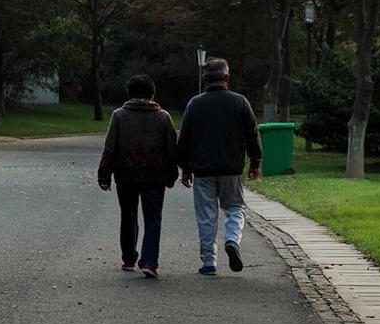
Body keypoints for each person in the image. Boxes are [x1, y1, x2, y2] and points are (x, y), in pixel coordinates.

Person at [177, 58, 262, 276]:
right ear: (227, 77)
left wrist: (185, 168)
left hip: (203, 169)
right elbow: (252, 135)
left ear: (205, 79)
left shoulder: (195, 103)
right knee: (235, 208)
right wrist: (255, 161)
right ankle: (232, 240)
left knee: (206, 215)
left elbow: (185, 138)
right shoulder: (240, 102)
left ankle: (209, 261)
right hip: (231, 168)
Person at [98, 74, 178, 279]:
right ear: (152, 94)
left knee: (128, 215)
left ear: (130, 93)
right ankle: (150, 261)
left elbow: (110, 147)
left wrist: (104, 173)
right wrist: (172, 173)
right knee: (153, 217)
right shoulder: (163, 117)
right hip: (155, 175)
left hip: (126, 174)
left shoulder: (119, 116)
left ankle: (128, 258)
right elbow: (171, 149)